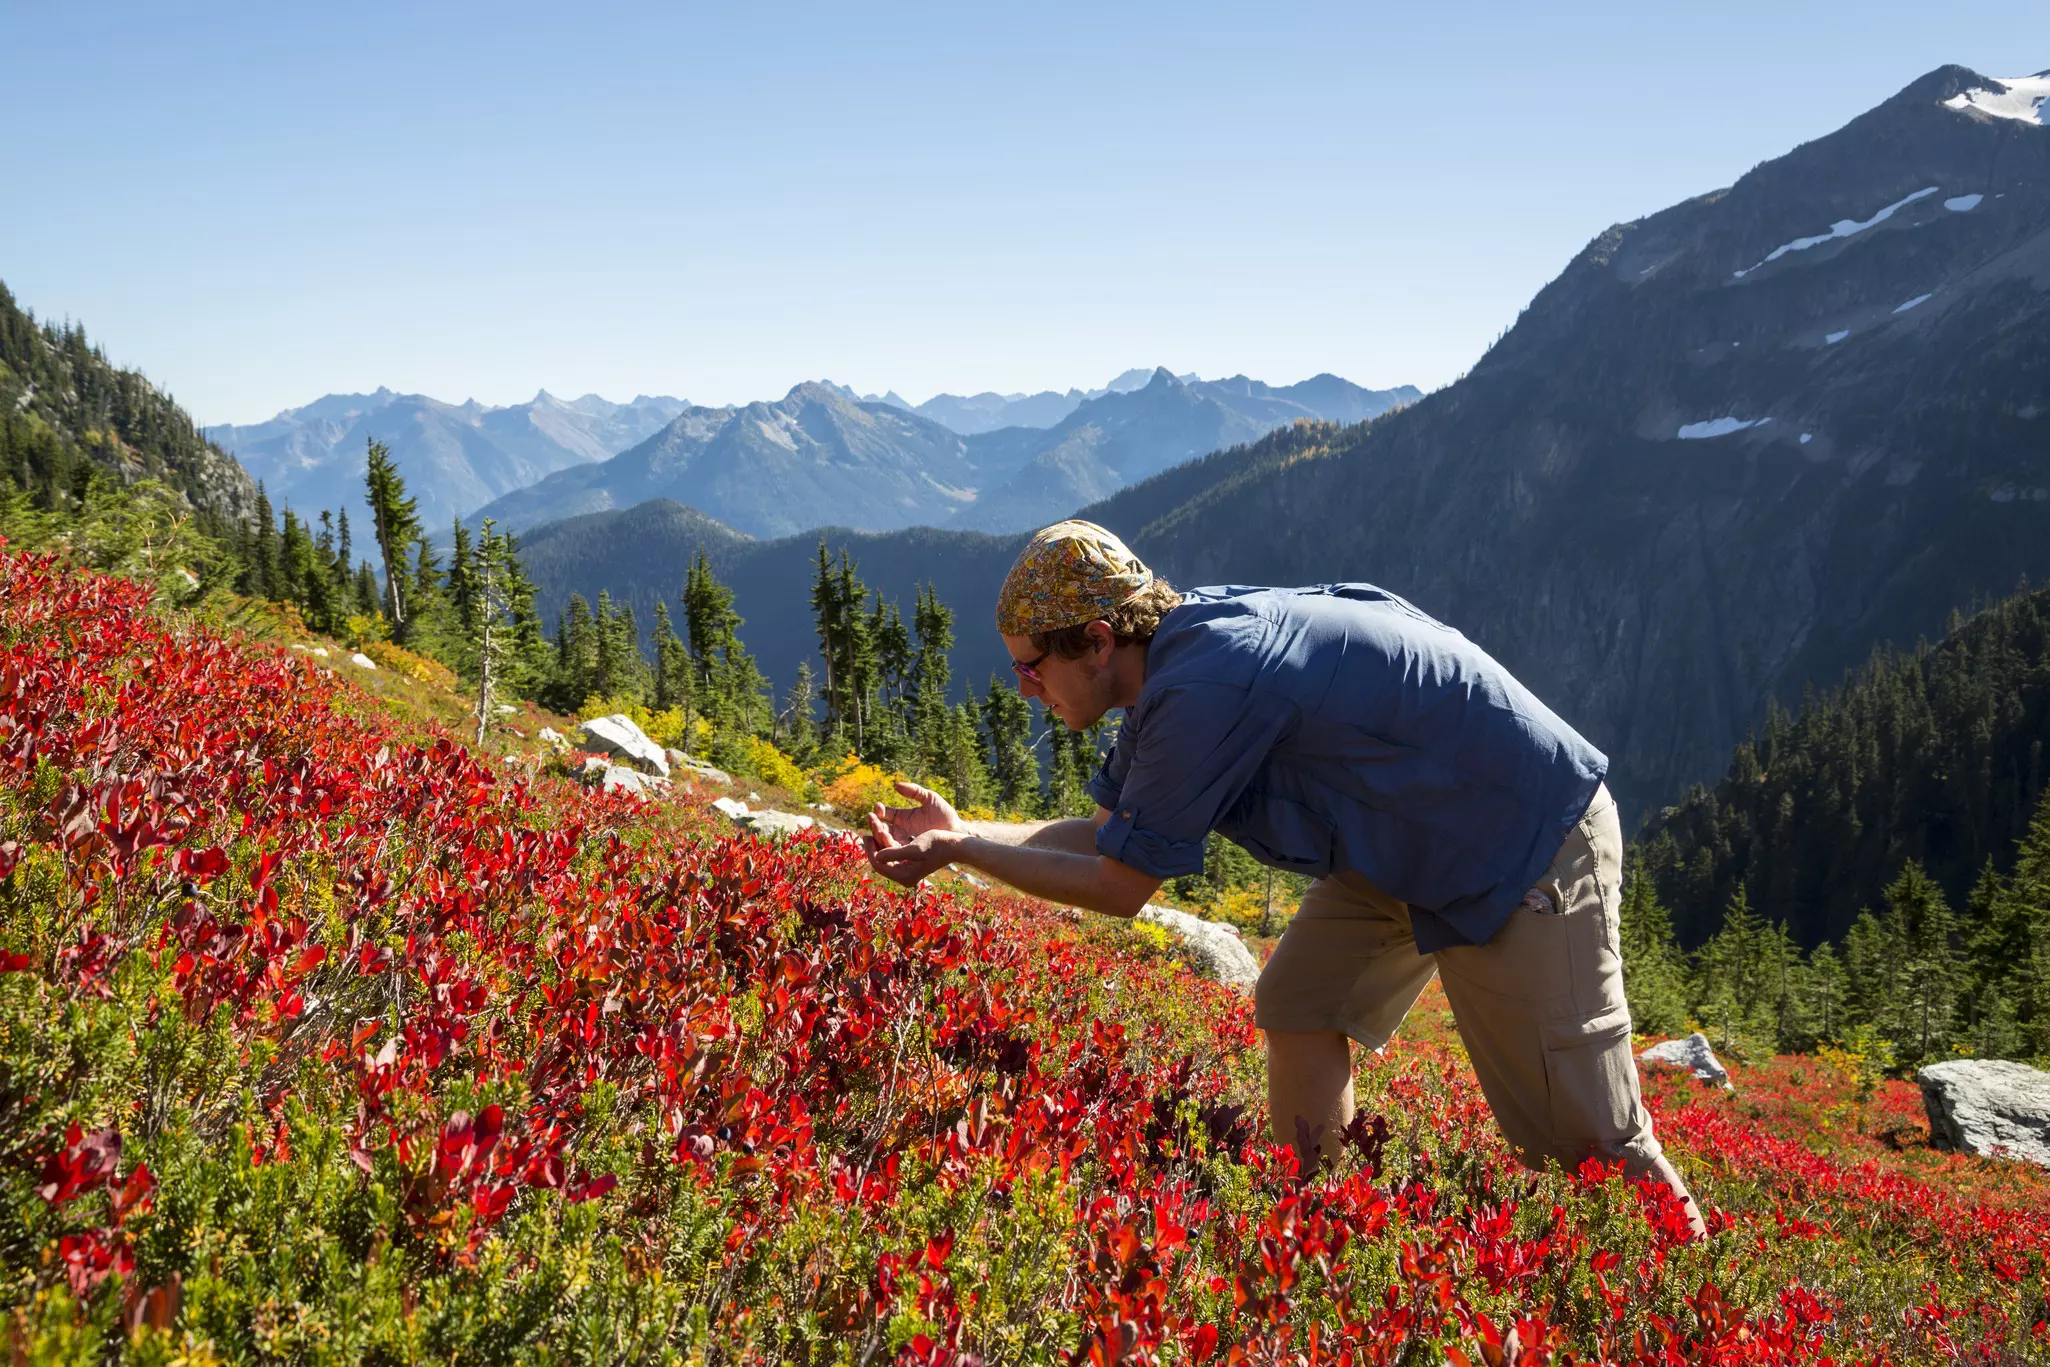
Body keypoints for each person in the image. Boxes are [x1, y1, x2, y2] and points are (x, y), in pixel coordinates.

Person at [865, 519, 1706, 1238]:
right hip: (1403, 834)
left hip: (1523, 832)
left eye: (1031, 663)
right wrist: (964, 831)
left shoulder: (1202, 686)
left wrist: (964, 854)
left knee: (1582, 1138)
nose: (1024, 687)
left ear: (1096, 638)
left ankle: (1704, 1306)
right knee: (1301, 1000)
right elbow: (1105, 835)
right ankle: (1319, 1230)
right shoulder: (1170, 660)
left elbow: (1121, 885)